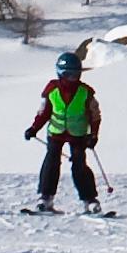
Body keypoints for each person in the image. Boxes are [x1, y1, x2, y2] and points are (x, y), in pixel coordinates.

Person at [23, 47, 103, 209]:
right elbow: (44, 113)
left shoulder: (85, 92)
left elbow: (95, 116)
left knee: (79, 165)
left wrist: (93, 136)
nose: (73, 78)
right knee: (51, 163)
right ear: (60, 73)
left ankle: (90, 200)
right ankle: (46, 198)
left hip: (78, 135)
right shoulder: (52, 90)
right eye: (69, 74)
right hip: (56, 133)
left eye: (76, 74)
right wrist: (33, 129)